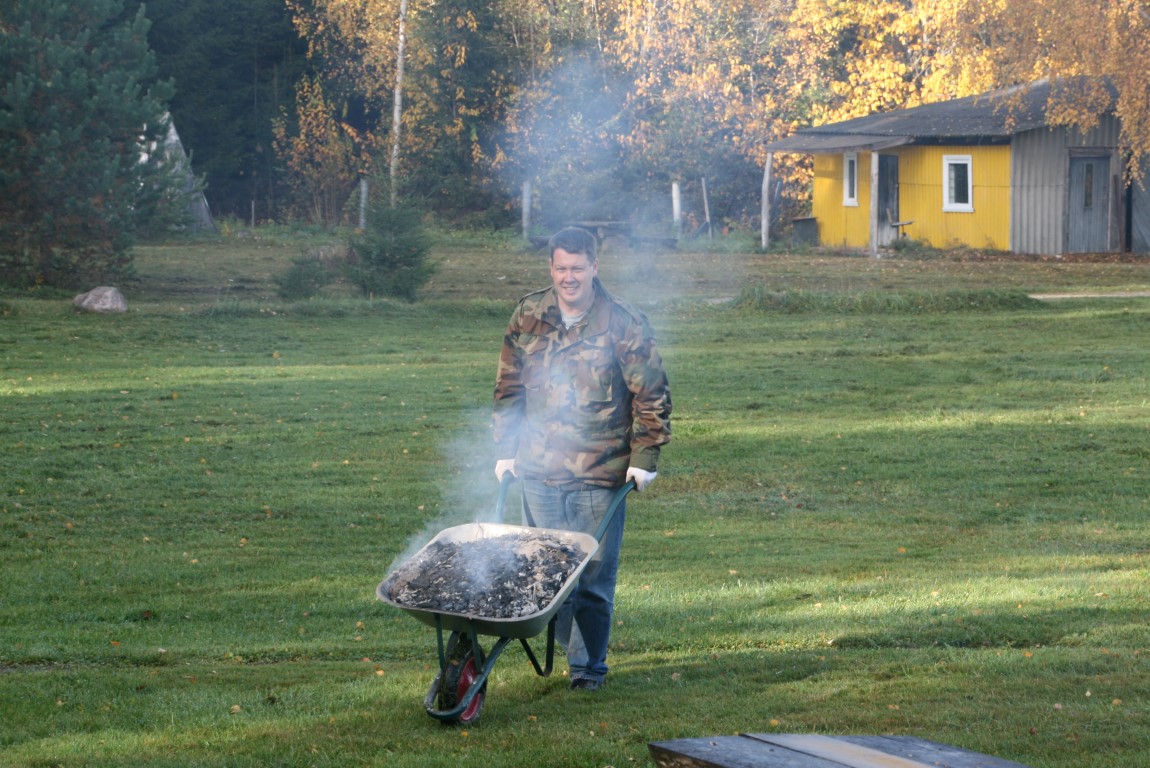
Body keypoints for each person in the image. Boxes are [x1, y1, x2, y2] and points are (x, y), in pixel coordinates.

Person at [492, 226, 672, 691]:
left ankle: (588, 669)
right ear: (550, 267)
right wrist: (506, 449)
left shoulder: (623, 322)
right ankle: (566, 654)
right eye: (560, 268)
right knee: (549, 575)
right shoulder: (528, 313)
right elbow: (508, 386)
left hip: (600, 472)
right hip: (537, 470)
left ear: (594, 266)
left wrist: (644, 456)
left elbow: (651, 394)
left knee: (591, 579)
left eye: (577, 268)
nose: (568, 277)